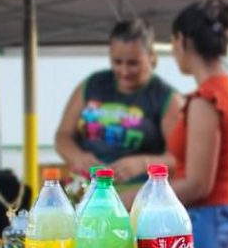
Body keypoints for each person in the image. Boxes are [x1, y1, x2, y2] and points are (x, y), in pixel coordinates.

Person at [165, 0, 228, 248]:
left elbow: (198, 185)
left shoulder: (207, 98)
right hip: (224, 218)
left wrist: (142, 199)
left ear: (181, 40)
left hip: (209, 222)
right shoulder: (227, 90)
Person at [55, 18, 182, 187]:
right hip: (87, 188)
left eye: (133, 63)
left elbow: (179, 158)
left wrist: (144, 163)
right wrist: (78, 157)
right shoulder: (93, 84)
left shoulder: (167, 98)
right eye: (117, 62)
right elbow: (63, 135)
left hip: (139, 193)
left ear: (151, 56)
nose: (124, 71)